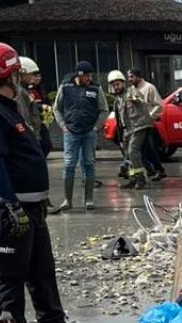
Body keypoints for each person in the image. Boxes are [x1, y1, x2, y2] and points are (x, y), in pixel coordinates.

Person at [0, 42, 91, 323]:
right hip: (8, 210)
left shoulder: (8, 107)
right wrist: (10, 204)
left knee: (41, 271)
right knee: (11, 277)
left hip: (30, 207)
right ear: (11, 74)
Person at [50, 61, 106, 212]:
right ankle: (67, 200)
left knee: (89, 163)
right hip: (71, 132)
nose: (90, 78)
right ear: (79, 75)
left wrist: (96, 127)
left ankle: (89, 199)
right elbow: (57, 108)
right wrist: (62, 125)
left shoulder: (96, 88)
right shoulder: (65, 87)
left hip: (89, 132)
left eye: (91, 75)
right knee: (69, 165)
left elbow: (103, 109)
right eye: (87, 75)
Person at [115, 68, 161, 190]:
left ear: (123, 83)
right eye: (114, 85)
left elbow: (140, 100)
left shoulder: (131, 91)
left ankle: (141, 178)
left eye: (118, 84)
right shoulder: (118, 99)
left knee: (133, 152)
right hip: (129, 130)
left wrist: (137, 100)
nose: (116, 87)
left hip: (140, 127)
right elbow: (120, 119)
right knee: (129, 155)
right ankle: (133, 178)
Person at [16, 56, 50, 156]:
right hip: (30, 135)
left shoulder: (28, 91)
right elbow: (25, 115)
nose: (35, 77)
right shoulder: (20, 92)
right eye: (32, 74)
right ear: (22, 75)